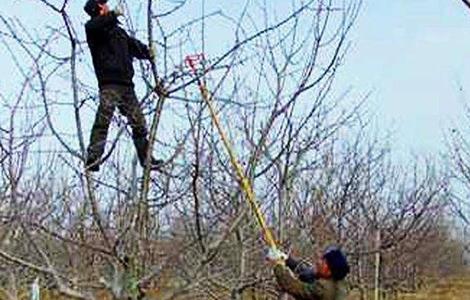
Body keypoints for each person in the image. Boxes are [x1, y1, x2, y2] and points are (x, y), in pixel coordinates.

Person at [83, 0, 163, 172]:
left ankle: (146, 159)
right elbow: (96, 25)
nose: (107, 6)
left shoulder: (118, 32)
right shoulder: (94, 29)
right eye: (103, 4)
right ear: (98, 8)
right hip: (109, 83)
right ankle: (93, 158)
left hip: (127, 86)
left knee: (139, 123)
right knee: (103, 119)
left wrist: (147, 52)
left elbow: (132, 45)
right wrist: (113, 15)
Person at [265, 245, 350, 300]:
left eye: (323, 261)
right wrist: (286, 259)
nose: (318, 262)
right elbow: (307, 271)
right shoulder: (337, 281)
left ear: (329, 269)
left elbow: (293, 287)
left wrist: (277, 265)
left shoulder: (323, 289)